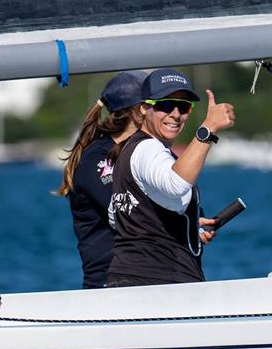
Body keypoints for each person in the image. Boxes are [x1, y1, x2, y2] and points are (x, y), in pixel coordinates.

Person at [107, 68, 235, 287]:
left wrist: (187, 226)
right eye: (165, 105)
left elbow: (115, 215)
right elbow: (176, 184)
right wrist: (208, 128)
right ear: (144, 108)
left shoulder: (134, 150)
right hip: (158, 285)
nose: (176, 114)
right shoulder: (148, 149)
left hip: (132, 282)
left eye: (183, 107)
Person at [58, 71, 146, 288]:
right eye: (155, 104)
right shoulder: (95, 159)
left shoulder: (142, 152)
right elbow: (125, 212)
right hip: (107, 284)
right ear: (137, 112)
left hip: (143, 278)